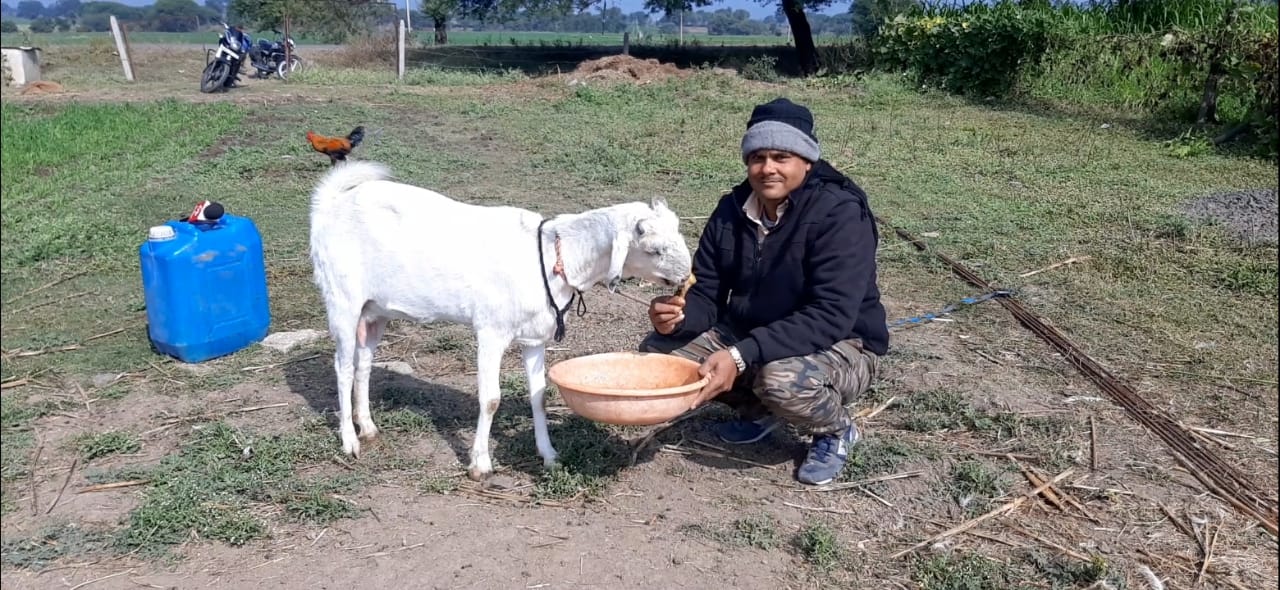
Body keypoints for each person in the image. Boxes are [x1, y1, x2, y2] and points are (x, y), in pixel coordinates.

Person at [641, 97, 889, 486]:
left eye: (781, 156)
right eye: (757, 157)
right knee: (659, 355)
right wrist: (679, 317)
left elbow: (831, 315)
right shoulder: (732, 209)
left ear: (806, 161)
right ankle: (760, 412)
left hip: (843, 342)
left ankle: (836, 430)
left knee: (781, 380)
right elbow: (706, 290)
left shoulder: (839, 213)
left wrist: (741, 355)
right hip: (754, 333)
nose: (767, 168)